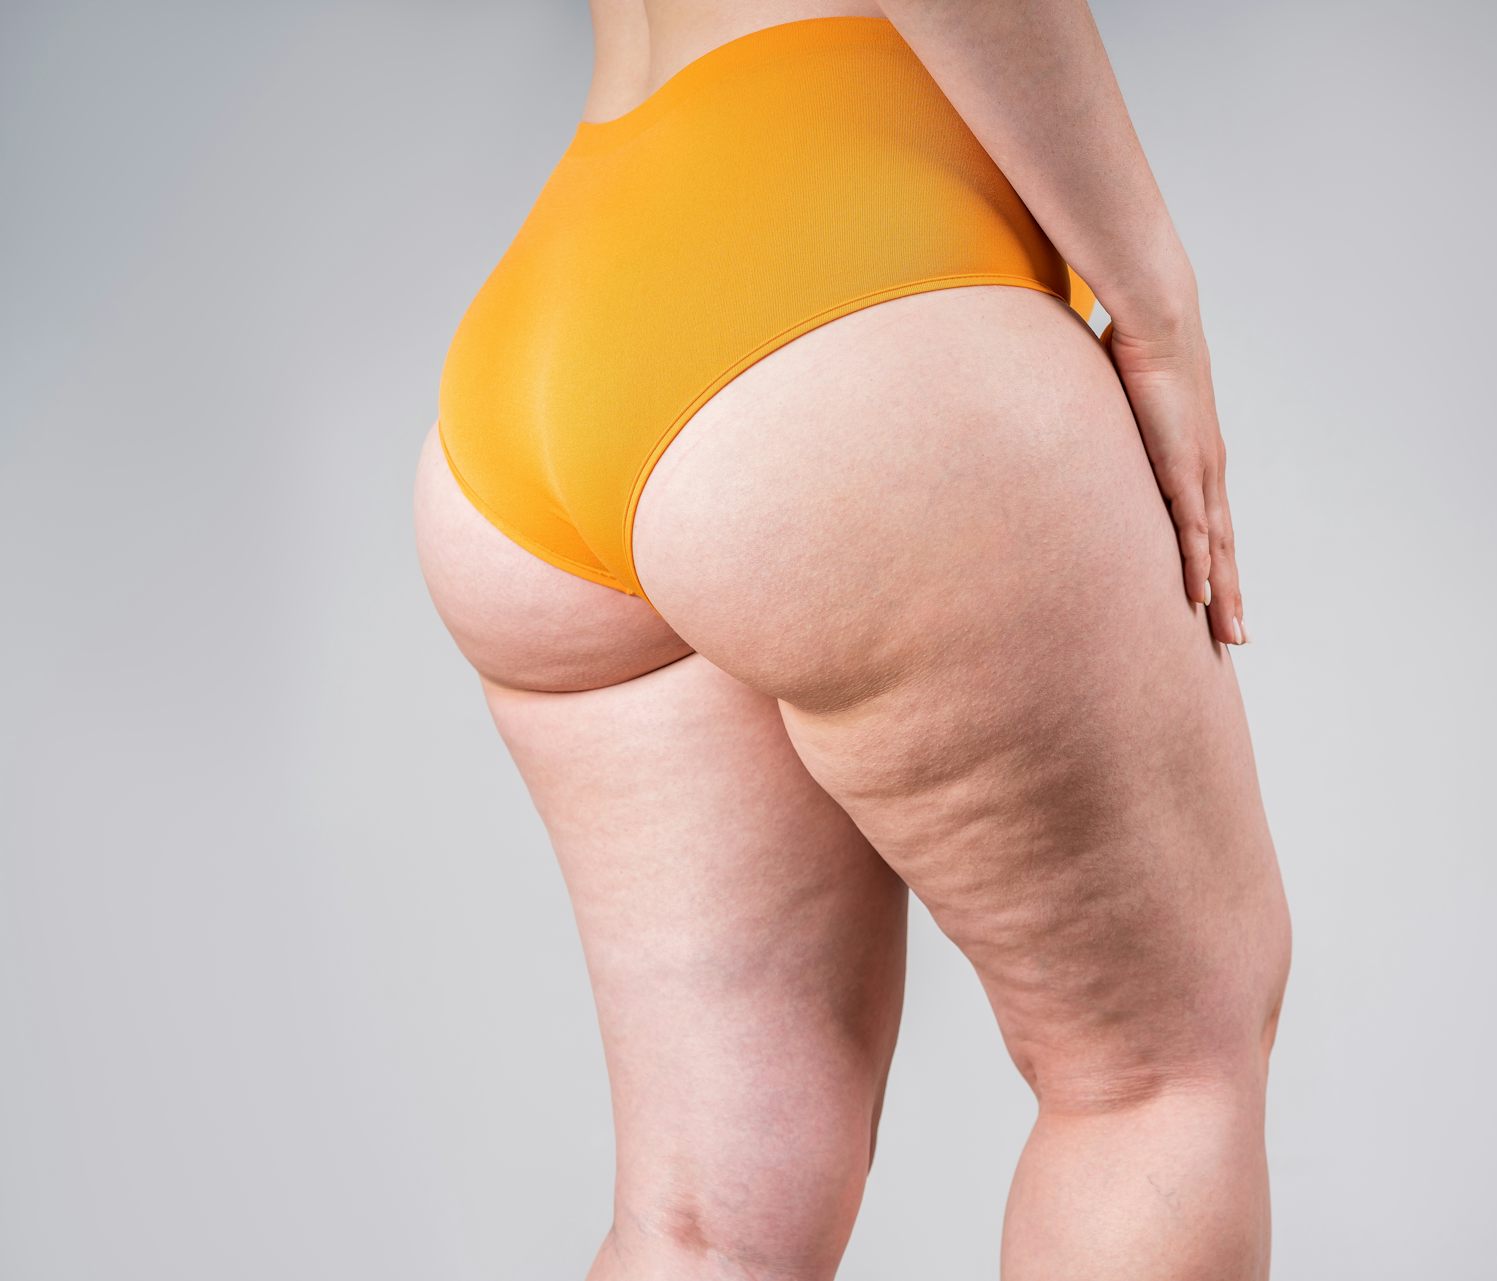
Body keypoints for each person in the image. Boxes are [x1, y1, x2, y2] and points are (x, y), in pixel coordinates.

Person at [413, 1, 1291, 1276]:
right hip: (835, 257)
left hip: (548, 324)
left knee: (704, 1225)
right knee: (1153, 1077)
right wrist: (1153, 297)